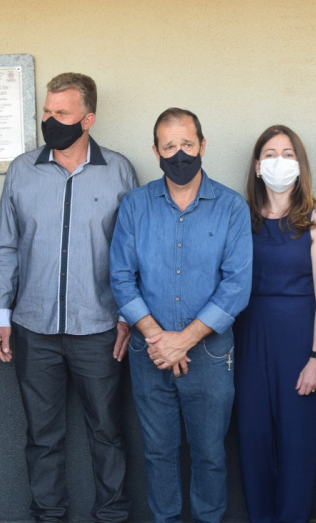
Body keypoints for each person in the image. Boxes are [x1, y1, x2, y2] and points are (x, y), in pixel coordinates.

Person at [0, 73, 137, 522]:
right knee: (42, 434)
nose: (50, 121)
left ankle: (112, 516)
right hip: (34, 328)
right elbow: (5, 245)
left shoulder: (119, 170)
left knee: (108, 433)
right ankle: (48, 515)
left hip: (100, 329)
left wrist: (129, 315)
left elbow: (131, 249)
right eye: (47, 112)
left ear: (88, 119)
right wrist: (0, 315)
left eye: (62, 113)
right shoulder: (21, 170)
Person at [109, 108, 252, 523]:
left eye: (187, 144)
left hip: (207, 354)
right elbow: (120, 275)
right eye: (169, 146)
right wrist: (158, 338)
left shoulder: (231, 207)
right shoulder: (135, 205)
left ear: (203, 146)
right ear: (155, 151)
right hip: (148, 352)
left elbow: (236, 286)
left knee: (209, 454)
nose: (179, 154)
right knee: (158, 452)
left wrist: (182, 340)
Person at [232, 125, 316, 522]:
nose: (280, 161)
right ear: (258, 166)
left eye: (289, 154)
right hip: (247, 339)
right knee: (253, 439)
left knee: (298, 445)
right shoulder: (239, 216)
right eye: (271, 154)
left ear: (300, 163)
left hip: (299, 339)